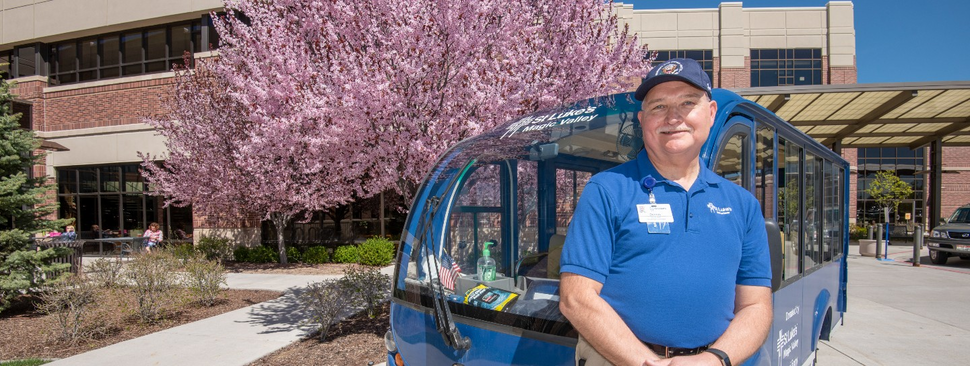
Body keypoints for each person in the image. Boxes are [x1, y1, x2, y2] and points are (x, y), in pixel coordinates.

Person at [558, 58, 773, 366]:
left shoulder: (743, 205)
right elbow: (576, 298)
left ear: (710, 114)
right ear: (642, 119)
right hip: (618, 359)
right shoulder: (606, 190)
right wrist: (648, 363)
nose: (673, 117)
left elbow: (756, 306)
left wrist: (714, 360)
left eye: (687, 102)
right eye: (658, 106)